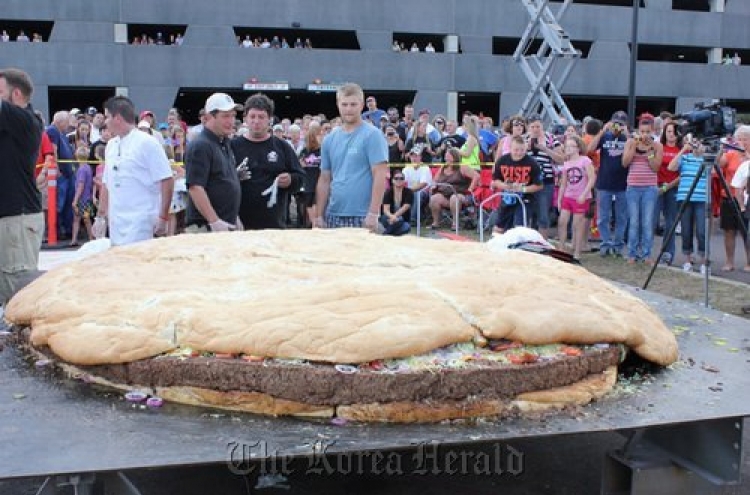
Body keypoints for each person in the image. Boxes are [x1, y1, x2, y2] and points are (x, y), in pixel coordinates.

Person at [94, 96, 174, 245]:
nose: (105, 122)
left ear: (117, 118)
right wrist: (100, 216)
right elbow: (106, 182)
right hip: (117, 223)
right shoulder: (111, 145)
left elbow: (166, 179)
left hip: (142, 222)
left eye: (107, 117)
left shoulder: (147, 143)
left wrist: (163, 217)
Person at [314, 83, 389, 231]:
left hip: (362, 215)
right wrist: (319, 215)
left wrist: (373, 213)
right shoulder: (329, 139)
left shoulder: (373, 135)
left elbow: (380, 175)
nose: (349, 109)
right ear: (338, 105)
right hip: (333, 214)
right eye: (345, 104)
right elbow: (324, 179)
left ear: (361, 105)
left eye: (353, 104)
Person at [0, 68, 44, 306]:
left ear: (16, 94)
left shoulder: (26, 120)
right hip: (10, 218)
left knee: (17, 291)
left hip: (18, 219)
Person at [230, 93, 305, 230]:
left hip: (274, 224)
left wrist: (290, 180)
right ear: (245, 118)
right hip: (239, 223)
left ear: (270, 119)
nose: (256, 121)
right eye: (252, 116)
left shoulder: (282, 147)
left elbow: (300, 177)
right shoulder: (232, 147)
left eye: (261, 117)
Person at [185, 93, 242, 233]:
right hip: (205, 227)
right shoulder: (201, 146)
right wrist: (214, 221)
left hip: (224, 223)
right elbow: (195, 187)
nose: (231, 121)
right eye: (225, 116)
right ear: (210, 116)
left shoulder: (224, 142)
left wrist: (234, 217)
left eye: (233, 115)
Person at [622, 113, 663, 264]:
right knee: (634, 221)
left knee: (647, 222)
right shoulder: (630, 142)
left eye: (648, 132)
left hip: (649, 188)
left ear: (652, 131)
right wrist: (634, 146)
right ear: (638, 131)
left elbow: (656, 167)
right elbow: (625, 163)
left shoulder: (657, 146)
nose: (645, 135)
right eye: (642, 131)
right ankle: (632, 253)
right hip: (633, 186)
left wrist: (650, 151)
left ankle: (646, 254)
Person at [588, 110, 630, 257]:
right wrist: (602, 131)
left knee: (621, 217)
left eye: (621, 124)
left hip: (622, 184)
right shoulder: (605, 136)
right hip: (604, 182)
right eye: (615, 124)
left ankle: (618, 246)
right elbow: (590, 149)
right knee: (603, 217)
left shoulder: (628, 139)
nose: (617, 127)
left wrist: (628, 134)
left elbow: (637, 152)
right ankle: (605, 244)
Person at [668, 137, 708, 273]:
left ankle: (704, 261)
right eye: (695, 142)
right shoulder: (685, 158)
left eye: (700, 142)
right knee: (686, 230)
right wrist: (683, 150)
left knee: (702, 231)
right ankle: (687, 260)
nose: (697, 145)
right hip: (684, 198)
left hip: (701, 198)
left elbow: (715, 169)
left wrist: (708, 152)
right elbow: (671, 167)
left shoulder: (706, 160)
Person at [491, 136, 543, 234]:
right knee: (499, 227)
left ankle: (517, 246)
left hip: (525, 198)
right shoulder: (502, 161)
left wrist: (522, 189)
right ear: (510, 148)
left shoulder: (532, 163)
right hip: (507, 197)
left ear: (526, 148)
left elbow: (539, 185)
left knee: (519, 227)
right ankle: (496, 246)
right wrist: (505, 186)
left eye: (522, 150)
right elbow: (495, 180)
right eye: (516, 150)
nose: (519, 153)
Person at [716, 125, 750, 272]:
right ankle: (729, 261)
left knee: (746, 232)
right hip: (729, 196)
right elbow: (719, 163)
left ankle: (749, 262)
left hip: (746, 198)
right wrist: (720, 150)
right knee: (729, 231)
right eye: (740, 139)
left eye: (746, 139)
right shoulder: (731, 154)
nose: (742, 141)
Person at [557, 135, 595, 259]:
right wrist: (559, 198)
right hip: (568, 195)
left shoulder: (585, 160)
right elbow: (563, 183)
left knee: (576, 225)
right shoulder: (566, 163)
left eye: (571, 146)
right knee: (562, 222)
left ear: (578, 148)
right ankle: (561, 248)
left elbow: (592, 178)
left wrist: (585, 194)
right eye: (567, 146)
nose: (568, 149)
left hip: (580, 196)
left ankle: (577, 251)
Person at [526, 114, 564, 237]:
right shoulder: (524, 139)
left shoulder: (552, 139)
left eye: (538, 126)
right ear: (528, 127)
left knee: (543, 215)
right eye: (532, 127)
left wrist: (546, 149)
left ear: (542, 125)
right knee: (528, 214)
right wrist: (525, 147)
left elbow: (561, 159)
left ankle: (542, 242)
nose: (535, 129)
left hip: (545, 182)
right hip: (527, 181)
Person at [429, 148, 479, 230]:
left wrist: (470, 188)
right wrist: (433, 186)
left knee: (454, 198)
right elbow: (435, 180)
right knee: (434, 198)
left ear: (454, 157)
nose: (446, 158)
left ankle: (455, 223)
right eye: (446, 156)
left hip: (460, 194)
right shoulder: (443, 167)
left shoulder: (462, 167)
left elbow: (476, 176)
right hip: (444, 194)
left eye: (448, 156)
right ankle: (436, 222)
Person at [655, 122, 682, 264]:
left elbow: (682, 174)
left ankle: (667, 253)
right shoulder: (659, 147)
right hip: (657, 186)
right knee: (651, 220)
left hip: (673, 188)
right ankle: (645, 251)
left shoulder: (683, 150)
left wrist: (667, 187)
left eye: (674, 132)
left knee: (670, 222)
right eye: (669, 131)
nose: (671, 134)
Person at [46, 110, 75, 239]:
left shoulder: (62, 133)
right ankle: (57, 230)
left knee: (67, 202)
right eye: (67, 122)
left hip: (67, 173)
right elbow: (53, 149)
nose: (68, 125)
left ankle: (66, 228)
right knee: (59, 202)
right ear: (61, 121)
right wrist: (56, 168)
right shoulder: (53, 130)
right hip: (61, 174)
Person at [298, 121, 324, 228]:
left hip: (319, 181)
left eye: (313, 137)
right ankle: (313, 223)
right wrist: (301, 164)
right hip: (308, 182)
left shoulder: (322, 151)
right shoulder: (304, 151)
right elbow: (299, 164)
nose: (311, 140)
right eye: (309, 138)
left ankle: (316, 222)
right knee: (308, 203)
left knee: (317, 202)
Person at [70, 146, 95, 246]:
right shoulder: (88, 167)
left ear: (77, 157)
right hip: (87, 198)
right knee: (86, 219)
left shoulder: (81, 170)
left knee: (79, 219)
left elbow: (81, 185)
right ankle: (90, 238)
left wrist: (75, 200)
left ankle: (75, 239)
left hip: (81, 199)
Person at [380, 172, 414, 236]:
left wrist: (395, 217)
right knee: (387, 219)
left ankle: (386, 233)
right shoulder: (388, 192)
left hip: (402, 220)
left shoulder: (409, 192)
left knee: (406, 226)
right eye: (396, 178)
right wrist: (392, 217)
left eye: (401, 178)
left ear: (404, 181)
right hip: (388, 218)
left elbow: (405, 207)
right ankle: (392, 232)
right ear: (392, 180)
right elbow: (385, 210)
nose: (399, 180)